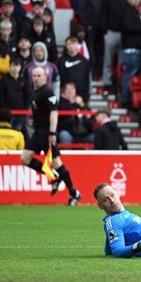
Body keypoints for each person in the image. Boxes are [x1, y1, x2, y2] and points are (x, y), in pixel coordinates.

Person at [19, 66, 82, 206]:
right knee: (25, 158)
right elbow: (44, 111)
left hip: (47, 133)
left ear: (45, 77)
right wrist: (36, 119)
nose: (35, 78)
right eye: (34, 76)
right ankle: (53, 178)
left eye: (38, 76)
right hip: (38, 132)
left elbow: (54, 112)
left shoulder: (48, 92)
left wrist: (52, 132)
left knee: (56, 163)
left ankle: (74, 193)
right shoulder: (36, 92)